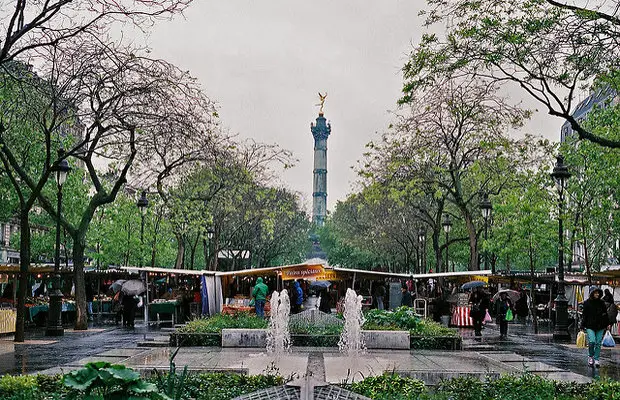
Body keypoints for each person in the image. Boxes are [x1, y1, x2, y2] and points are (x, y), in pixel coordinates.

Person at [581, 287, 610, 367]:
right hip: (590, 325)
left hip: (600, 325)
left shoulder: (602, 302)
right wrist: (582, 325)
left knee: (598, 342)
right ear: (592, 293)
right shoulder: (587, 303)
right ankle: (590, 356)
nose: (597, 294)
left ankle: (596, 359)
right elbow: (585, 315)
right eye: (595, 293)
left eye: (598, 293)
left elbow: (605, 314)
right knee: (592, 341)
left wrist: (607, 324)